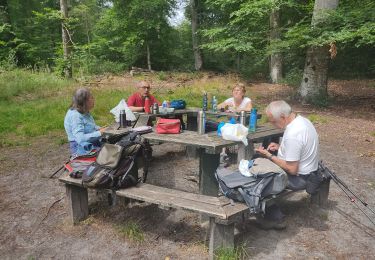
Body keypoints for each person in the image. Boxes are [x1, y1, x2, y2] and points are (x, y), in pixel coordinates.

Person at [254, 100, 320, 229]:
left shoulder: (293, 134)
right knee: (257, 160)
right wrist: (281, 147)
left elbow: (292, 169)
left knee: (255, 172)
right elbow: (300, 148)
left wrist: (269, 156)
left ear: (283, 117)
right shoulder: (303, 121)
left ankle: (274, 218)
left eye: (273, 121)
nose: (273, 124)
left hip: (300, 178)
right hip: (311, 172)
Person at [64, 88, 106, 156]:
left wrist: (99, 128)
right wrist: (100, 133)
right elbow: (80, 139)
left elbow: (89, 126)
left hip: (90, 143)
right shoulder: (75, 116)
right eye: (91, 98)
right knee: (109, 155)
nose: (93, 100)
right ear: (84, 101)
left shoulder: (84, 111)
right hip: (81, 147)